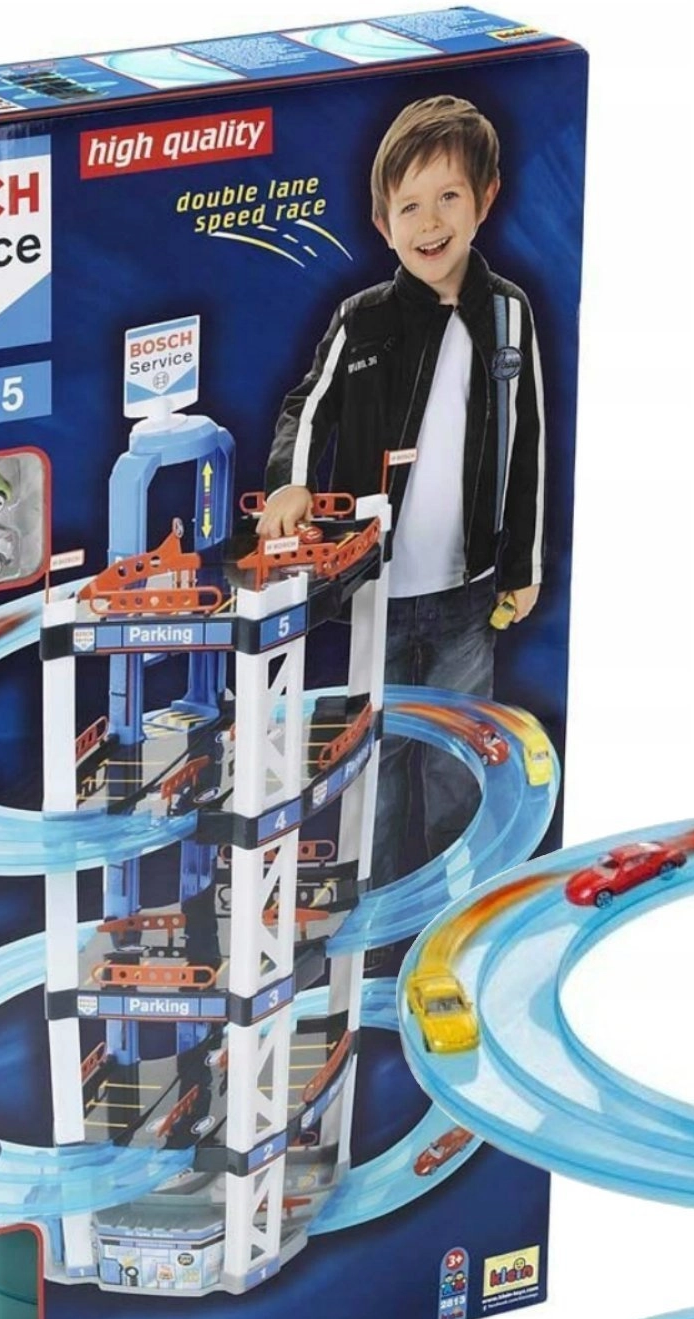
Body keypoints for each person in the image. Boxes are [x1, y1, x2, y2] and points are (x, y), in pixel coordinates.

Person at [261, 94, 545, 897]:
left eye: (449, 196)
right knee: (373, 766)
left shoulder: (510, 314)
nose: (431, 222)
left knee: (459, 762)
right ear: (383, 224)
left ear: (486, 198)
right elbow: (309, 407)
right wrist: (290, 482)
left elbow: (529, 442)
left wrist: (522, 567)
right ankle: (375, 931)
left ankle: (450, 917)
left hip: (468, 597)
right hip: (375, 596)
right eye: (409, 206)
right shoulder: (363, 320)